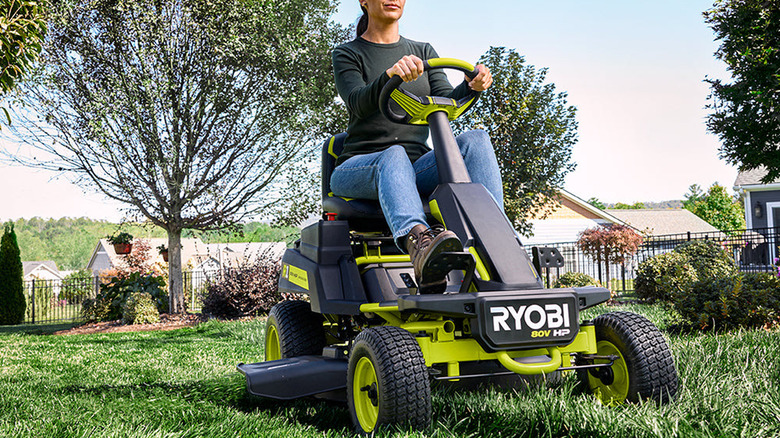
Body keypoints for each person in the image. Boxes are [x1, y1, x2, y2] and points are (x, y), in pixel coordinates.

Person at [331, 0, 503, 291]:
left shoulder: (423, 51)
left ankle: (497, 240)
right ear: (363, 1)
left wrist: (471, 86)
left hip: (415, 168)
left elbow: (447, 100)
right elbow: (357, 103)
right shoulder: (347, 53)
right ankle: (420, 245)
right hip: (358, 166)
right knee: (393, 155)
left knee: (476, 140)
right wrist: (390, 77)